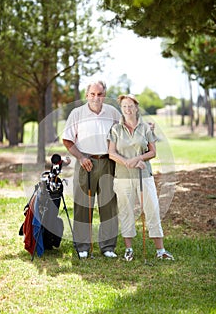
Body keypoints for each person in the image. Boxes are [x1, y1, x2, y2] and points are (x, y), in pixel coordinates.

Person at [108, 94, 174, 261]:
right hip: (122, 177)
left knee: (152, 209)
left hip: (144, 175)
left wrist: (138, 159)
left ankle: (161, 250)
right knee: (126, 211)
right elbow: (111, 153)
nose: (128, 109)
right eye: (124, 106)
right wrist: (128, 162)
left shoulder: (146, 128)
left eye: (130, 106)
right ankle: (128, 249)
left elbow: (152, 152)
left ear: (136, 107)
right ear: (121, 109)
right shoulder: (115, 129)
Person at [62, 80, 120, 258]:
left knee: (109, 205)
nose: (96, 98)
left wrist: (146, 127)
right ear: (87, 95)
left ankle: (108, 247)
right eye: (93, 94)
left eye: (100, 94)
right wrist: (80, 157)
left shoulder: (112, 112)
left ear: (104, 95)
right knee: (82, 205)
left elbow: (127, 129)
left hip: (108, 162)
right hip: (85, 162)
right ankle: (82, 247)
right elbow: (67, 140)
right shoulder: (77, 113)